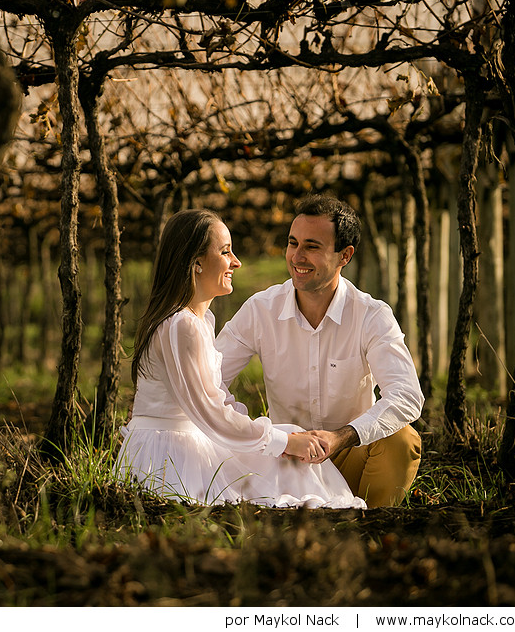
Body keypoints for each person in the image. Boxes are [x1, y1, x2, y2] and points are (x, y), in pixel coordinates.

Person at [113, 208, 367, 509]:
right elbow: (209, 412)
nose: (236, 261)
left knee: (286, 443)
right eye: (225, 251)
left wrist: (278, 436)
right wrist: (281, 442)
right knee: (282, 457)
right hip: (169, 453)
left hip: (188, 439)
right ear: (196, 262)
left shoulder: (198, 321)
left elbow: (218, 398)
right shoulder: (181, 325)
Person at [215, 194, 424, 508]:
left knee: (402, 439)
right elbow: (209, 377)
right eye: (293, 243)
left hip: (351, 459)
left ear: (345, 256)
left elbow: (407, 396)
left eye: (312, 247)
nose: (297, 257)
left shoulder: (371, 315)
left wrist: (341, 437)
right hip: (285, 465)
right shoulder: (260, 310)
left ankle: (370, 529)